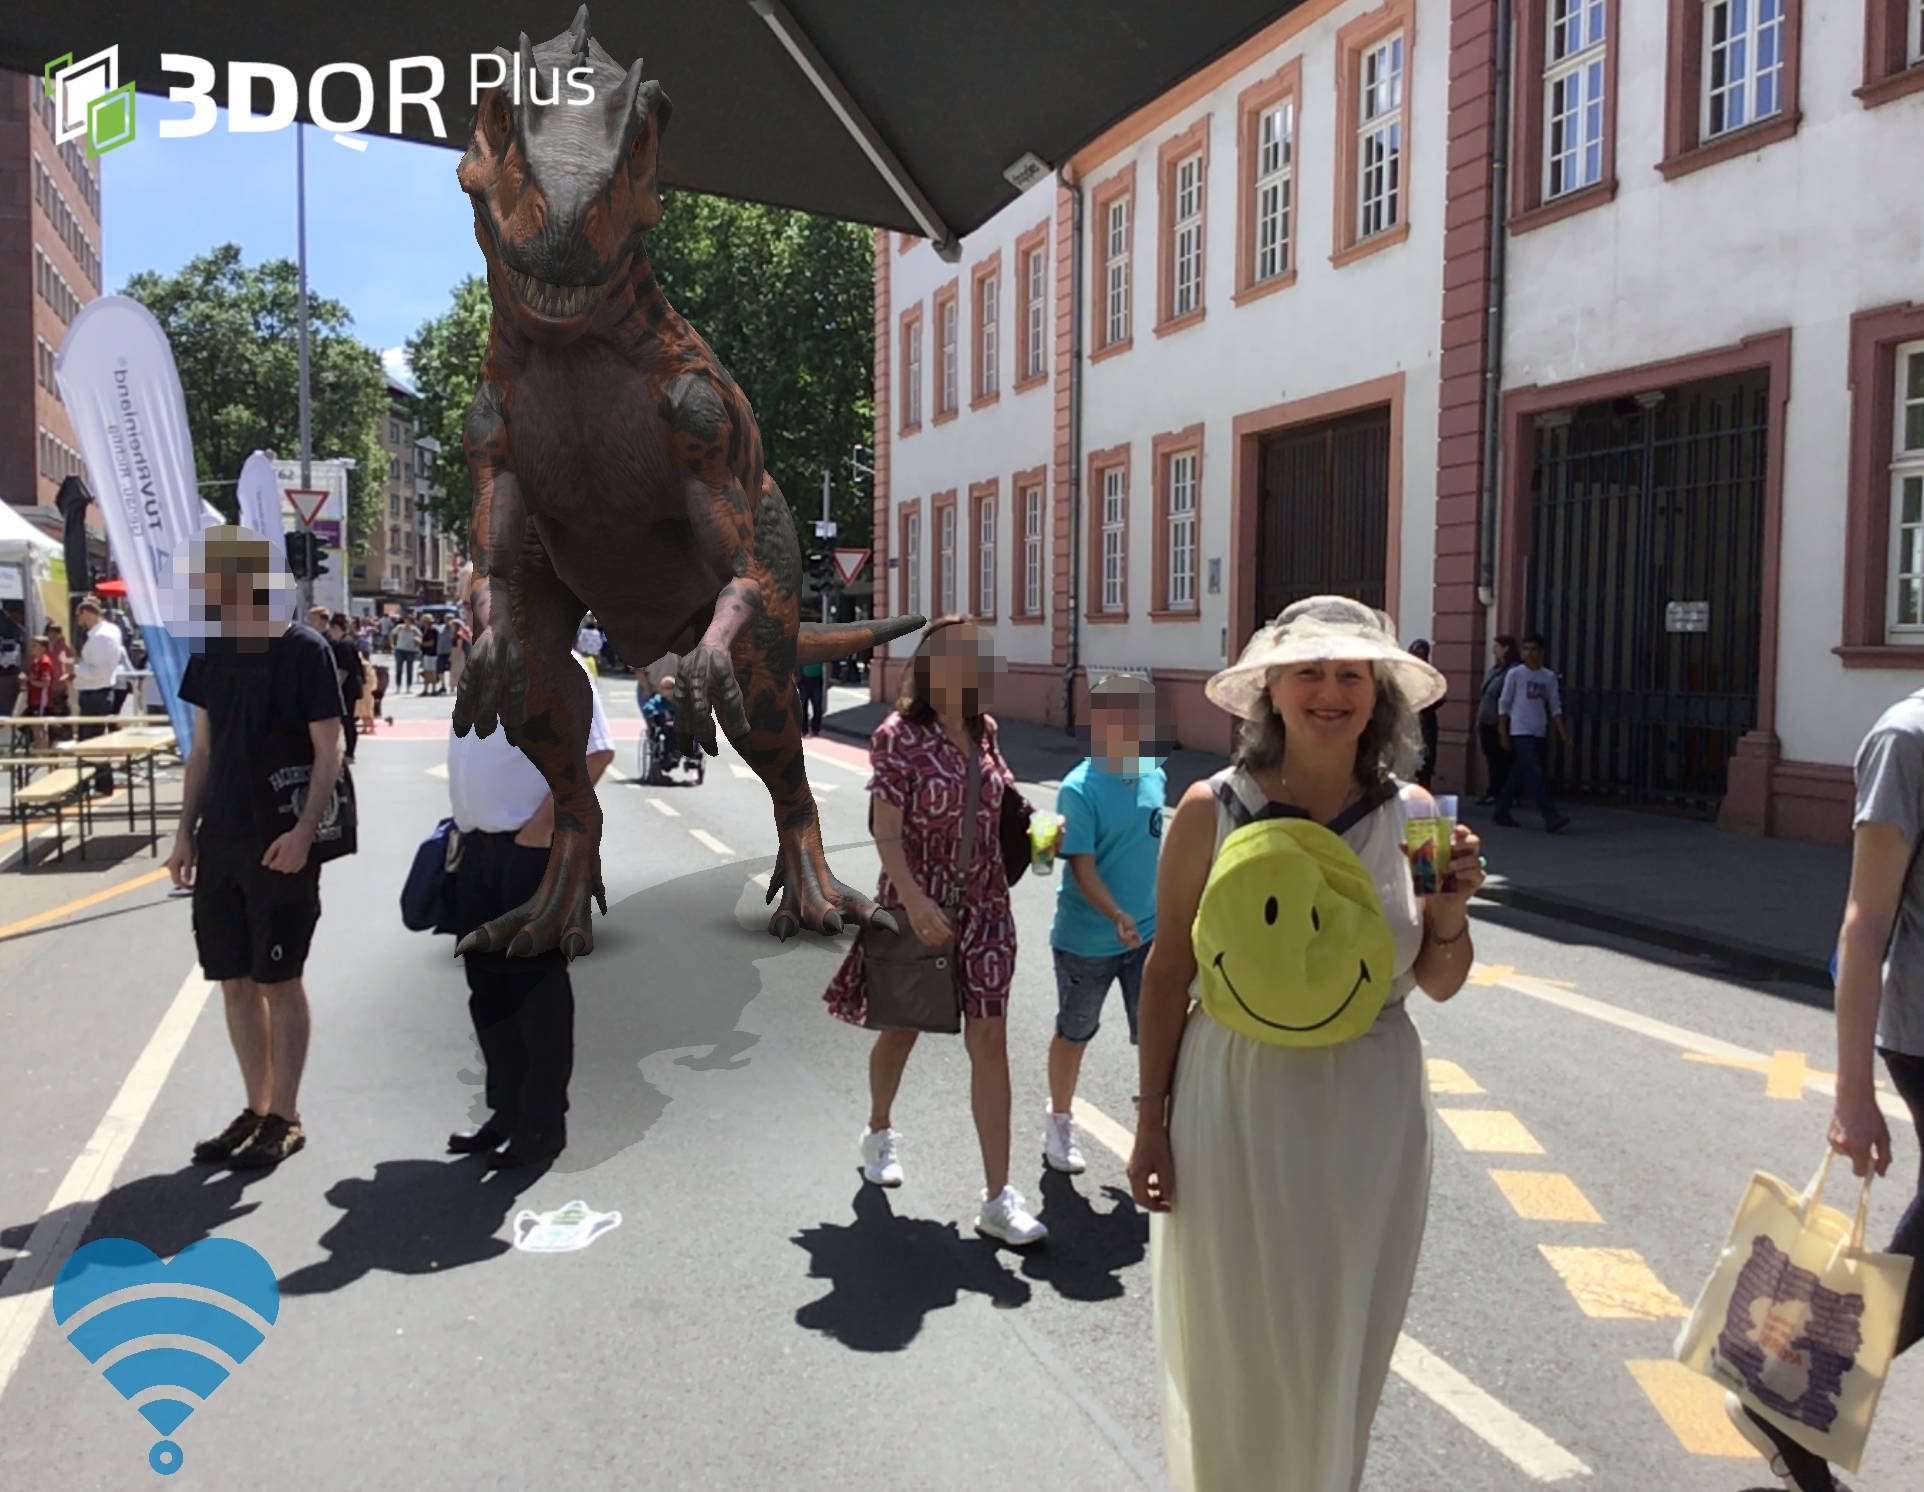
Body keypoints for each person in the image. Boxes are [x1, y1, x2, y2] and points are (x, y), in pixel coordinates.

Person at [1127, 595, 1485, 1492]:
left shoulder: (1420, 819)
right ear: (1273, 693)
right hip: (1235, 1097)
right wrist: (1149, 1123)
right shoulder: (1211, 811)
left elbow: (1438, 979)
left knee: (1339, 1338)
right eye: (1310, 673)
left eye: (1350, 676)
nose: (1331, 692)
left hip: (1370, 1106)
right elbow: (1168, 974)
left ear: (1377, 696)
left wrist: (1451, 912)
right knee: (1236, 1333)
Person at [1734, 689, 1924, 1491]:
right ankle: (1791, 1392)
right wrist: (1852, 1094)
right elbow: (1863, 920)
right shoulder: (1908, 738)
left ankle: (1786, 1396)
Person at [824, 616, 1046, 1247]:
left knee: (991, 1039)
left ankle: (998, 1198)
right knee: (901, 1032)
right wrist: (916, 902)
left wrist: (1034, 834)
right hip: (919, 906)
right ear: (930, 668)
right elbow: (885, 828)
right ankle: (878, 1128)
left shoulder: (985, 732)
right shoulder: (899, 736)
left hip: (987, 909)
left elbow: (998, 799)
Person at [165, 527, 346, 1170]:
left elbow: (331, 750)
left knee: (278, 979)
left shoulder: (305, 650)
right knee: (234, 982)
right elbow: (203, 752)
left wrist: (304, 832)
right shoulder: (213, 651)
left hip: (280, 842)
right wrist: (185, 832)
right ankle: (256, 1105)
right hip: (221, 841)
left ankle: (286, 1115)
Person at [446, 597, 615, 1168]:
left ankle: (543, 1127)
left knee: (535, 996)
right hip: (476, 854)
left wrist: (539, 828)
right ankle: (506, 1112)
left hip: (528, 856)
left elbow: (595, 754)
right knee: (488, 992)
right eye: (478, 607)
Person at [1042, 673, 1165, 1175]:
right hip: (1088, 939)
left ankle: (1154, 1129)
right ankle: (1060, 1121)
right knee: (1075, 1031)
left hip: (1149, 935)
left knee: (1155, 1037)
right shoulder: (1079, 787)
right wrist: (1115, 914)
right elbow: (1082, 865)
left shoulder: (1154, 771)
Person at [1492, 632, 1572, 833]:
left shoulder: (1548, 677)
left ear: (1542, 652)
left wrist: (1563, 734)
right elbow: (1504, 703)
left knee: (1518, 772)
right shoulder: (1516, 674)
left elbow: (1555, 706)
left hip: (1539, 730)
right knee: (1535, 773)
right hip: (1520, 730)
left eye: (1534, 649)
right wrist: (1503, 731)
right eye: (1526, 649)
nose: (1530, 653)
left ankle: (1501, 809)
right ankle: (1550, 816)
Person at [72, 596, 124, 794]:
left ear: (86, 613)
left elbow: (99, 670)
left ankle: (93, 784)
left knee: (90, 742)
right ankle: (98, 783)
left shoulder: (101, 636)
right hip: (97, 690)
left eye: (80, 617)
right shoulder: (108, 631)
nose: (80, 622)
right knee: (92, 741)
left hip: (96, 692)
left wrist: (76, 668)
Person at [1476, 634, 1519, 805]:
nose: (1494, 650)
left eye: (1497, 646)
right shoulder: (1494, 670)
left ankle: (1505, 793)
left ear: (1506, 648)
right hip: (1486, 720)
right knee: (1491, 758)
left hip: (1499, 722)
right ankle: (1494, 790)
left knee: (1502, 759)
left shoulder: (1512, 671)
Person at [317, 611, 364, 763]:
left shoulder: (344, 645)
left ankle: (350, 752)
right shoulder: (345, 642)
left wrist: (332, 688)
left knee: (348, 720)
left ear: (336, 628)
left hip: (348, 688)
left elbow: (343, 670)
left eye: (331, 630)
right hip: (351, 686)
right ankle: (348, 751)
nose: (330, 634)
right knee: (347, 720)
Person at [1408, 639, 1440, 789]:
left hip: (1425, 719)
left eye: (1422, 654)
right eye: (1416, 653)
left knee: (1426, 757)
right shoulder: (1404, 672)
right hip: (1408, 719)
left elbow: (1441, 696)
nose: (1419, 657)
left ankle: (1424, 787)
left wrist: (1427, 703)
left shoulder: (1431, 674)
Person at [21, 635, 57, 751]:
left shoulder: (45, 662)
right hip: (33, 699)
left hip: (42, 701)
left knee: (39, 728)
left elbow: (46, 683)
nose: (31, 648)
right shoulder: (35, 662)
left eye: (34, 646)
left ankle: (42, 753)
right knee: (32, 727)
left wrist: (30, 681)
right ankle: (38, 750)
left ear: (43, 648)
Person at [392, 614, 421, 694]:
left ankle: (408, 687)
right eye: (406, 620)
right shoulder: (399, 627)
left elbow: (420, 637)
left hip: (410, 651)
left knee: (409, 670)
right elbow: (392, 634)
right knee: (399, 669)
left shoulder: (414, 629)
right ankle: (398, 687)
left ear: (411, 622)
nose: (407, 622)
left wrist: (417, 642)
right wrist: (392, 644)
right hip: (399, 650)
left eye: (409, 620)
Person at [797, 658, 826, 736]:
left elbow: (828, 663)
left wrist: (828, 678)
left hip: (817, 679)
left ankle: (815, 728)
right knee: (803, 705)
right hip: (804, 679)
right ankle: (804, 729)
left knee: (817, 705)